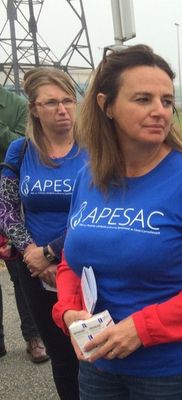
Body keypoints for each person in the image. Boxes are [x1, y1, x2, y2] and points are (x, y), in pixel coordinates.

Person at [51, 44, 182, 400]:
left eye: (166, 101)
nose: (160, 111)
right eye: (143, 99)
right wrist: (67, 311)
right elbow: (70, 262)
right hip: (98, 366)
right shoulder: (87, 177)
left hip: (172, 373)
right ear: (105, 105)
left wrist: (143, 328)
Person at [0, 68, 85, 399]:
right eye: (51, 103)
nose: (62, 109)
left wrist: (51, 252)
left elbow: (98, 211)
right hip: (36, 272)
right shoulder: (20, 151)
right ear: (34, 107)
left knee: (95, 353)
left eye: (68, 100)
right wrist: (32, 253)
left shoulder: (95, 148)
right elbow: (6, 208)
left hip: (84, 267)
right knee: (62, 359)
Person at [0, 83, 49, 363]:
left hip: (10, 195)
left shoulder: (16, 104)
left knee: (20, 272)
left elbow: (21, 143)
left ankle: (34, 336)